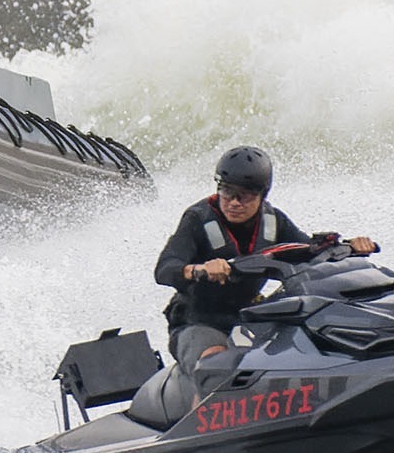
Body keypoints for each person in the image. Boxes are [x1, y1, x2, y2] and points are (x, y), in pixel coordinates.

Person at [155, 145, 377, 375]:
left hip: (250, 320)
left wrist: (350, 247)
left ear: (262, 195)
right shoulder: (198, 219)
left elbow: (309, 254)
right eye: (227, 191)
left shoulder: (273, 221)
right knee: (215, 368)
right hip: (197, 323)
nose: (234, 202)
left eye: (245, 196)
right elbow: (165, 268)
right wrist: (198, 269)